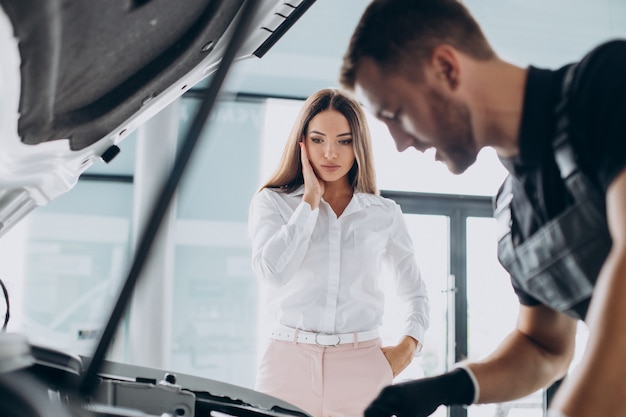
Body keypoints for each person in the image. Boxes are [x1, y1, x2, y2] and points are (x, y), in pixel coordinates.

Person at [339, 1, 626, 417]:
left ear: (446, 68)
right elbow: (545, 348)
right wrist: (445, 386)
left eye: (396, 114)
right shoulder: (513, 211)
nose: (400, 143)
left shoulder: (605, 86)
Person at [248, 88, 430, 417]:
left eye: (344, 141)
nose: (330, 153)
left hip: (362, 367)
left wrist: (405, 349)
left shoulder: (384, 213)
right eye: (318, 140)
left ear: (358, 145)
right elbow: (273, 272)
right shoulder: (272, 202)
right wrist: (309, 204)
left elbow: (415, 293)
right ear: (302, 143)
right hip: (286, 366)